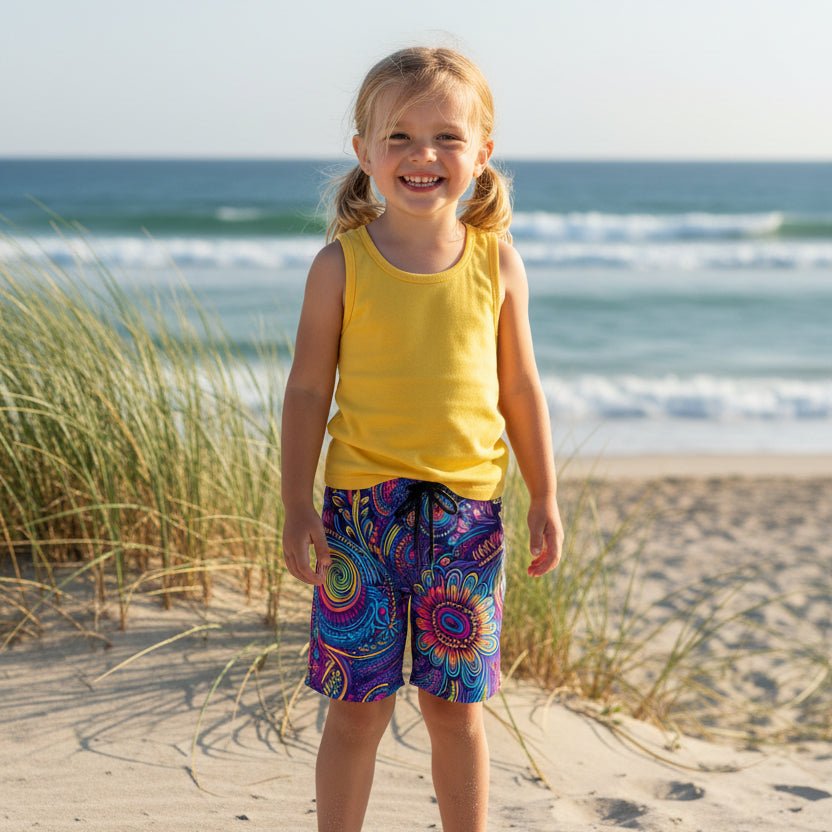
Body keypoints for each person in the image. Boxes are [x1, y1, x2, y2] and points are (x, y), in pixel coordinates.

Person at [280, 46, 564, 832]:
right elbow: (307, 390)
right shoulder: (340, 267)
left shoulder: (498, 265)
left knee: (454, 708)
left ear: (482, 152)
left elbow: (520, 390)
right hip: (358, 517)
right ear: (364, 153)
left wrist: (544, 493)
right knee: (357, 710)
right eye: (398, 137)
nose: (422, 156)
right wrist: (294, 504)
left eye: (445, 136)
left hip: (468, 516)